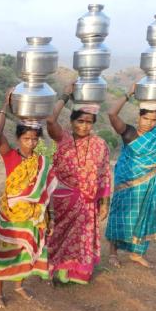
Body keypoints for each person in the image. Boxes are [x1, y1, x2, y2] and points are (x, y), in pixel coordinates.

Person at [0, 89, 57, 308]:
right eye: (26, 138)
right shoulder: (9, 155)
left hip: (33, 216)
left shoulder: (42, 163)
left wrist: (51, 218)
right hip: (11, 216)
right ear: (18, 138)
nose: (30, 142)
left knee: (25, 253)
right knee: (6, 251)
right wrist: (5, 104)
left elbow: (46, 194)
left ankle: (18, 285)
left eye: (34, 138)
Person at [46, 84, 111, 284]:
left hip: (87, 201)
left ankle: (76, 271)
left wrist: (105, 202)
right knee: (58, 234)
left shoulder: (100, 144)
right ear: (72, 121)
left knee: (82, 237)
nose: (84, 126)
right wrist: (66, 94)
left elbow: (105, 174)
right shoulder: (63, 138)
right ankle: (55, 268)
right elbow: (50, 119)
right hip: (63, 199)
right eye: (80, 121)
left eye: (88, 122)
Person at [106, 84, 156, 268]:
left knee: (144, 215)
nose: (149, 123)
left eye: (153, 120)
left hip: (151, 183)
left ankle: (136, 252)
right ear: (138, 116)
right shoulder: (129, 133)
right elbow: (111, 114)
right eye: (146, 118)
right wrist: (128, 93)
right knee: (121, 215)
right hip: (128, 182)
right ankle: (113, 253)